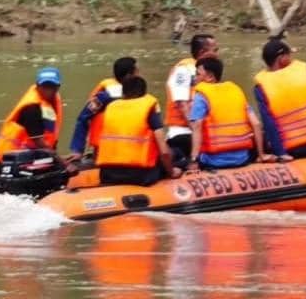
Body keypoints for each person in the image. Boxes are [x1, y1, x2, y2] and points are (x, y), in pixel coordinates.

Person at [254, 38, 306, 160]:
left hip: (295, 149)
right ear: (281, 58)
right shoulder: (301, 72)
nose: (291, 58)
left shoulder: (260, 87)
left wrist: (280, 153)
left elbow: (269, 124)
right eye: (289, 55)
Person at [188, 57, 272, 170]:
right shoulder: (235, 90)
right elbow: (256, 124)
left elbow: (197, 126)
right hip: (242, 159)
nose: (195, 77)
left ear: (210, 77)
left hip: (213, 161)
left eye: (198, 74)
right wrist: (261, 155)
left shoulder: (201, 95)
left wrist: (194, 160)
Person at [95, 75, 181, 186]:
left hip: (108, 174)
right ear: (144, 94)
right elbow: (164, 152)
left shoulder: (110, 108)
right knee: (178, 154)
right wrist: (172, 172)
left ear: (123, 93)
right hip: (140, 175)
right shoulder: (148, 110)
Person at [67, 56, 139, 164]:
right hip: (105, 151)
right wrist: (78, 150)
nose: (140, 75)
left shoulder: (138, 95)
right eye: (137, 71)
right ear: (129, 75)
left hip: (130, 150)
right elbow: (83, 118)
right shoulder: (105, 96)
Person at [164, 34, 219, 168]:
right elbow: (183, 105)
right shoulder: (183, 70)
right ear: (202, 52)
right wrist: (198, 136)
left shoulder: (208, 71)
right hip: (184, 132)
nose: (218, 54)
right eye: (215, 50)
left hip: (202, 132)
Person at [0, 67, 63, 164]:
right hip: (11, 158)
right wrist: (63, 163)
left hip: (29, 155)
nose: (48, 90)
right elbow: (38, 141)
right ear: (37, 86)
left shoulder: (51, 102)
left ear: (57, 87)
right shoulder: (31, 107)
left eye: (51, 86)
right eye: (44, 86)